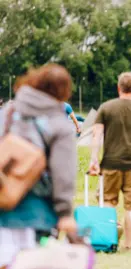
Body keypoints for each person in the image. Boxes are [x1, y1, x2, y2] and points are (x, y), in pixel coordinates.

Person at [0, 64, 77, 267]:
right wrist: (65, 212)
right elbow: (63, 172)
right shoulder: (59, 124)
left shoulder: (8, 112)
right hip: (36, 212)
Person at [88, 72, 131, 249]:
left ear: (118, 88)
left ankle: (107, 242)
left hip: (110, 165)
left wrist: (94, 160)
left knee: (107, 202)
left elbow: (96, 135)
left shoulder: (106, 108)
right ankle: (128, 245)